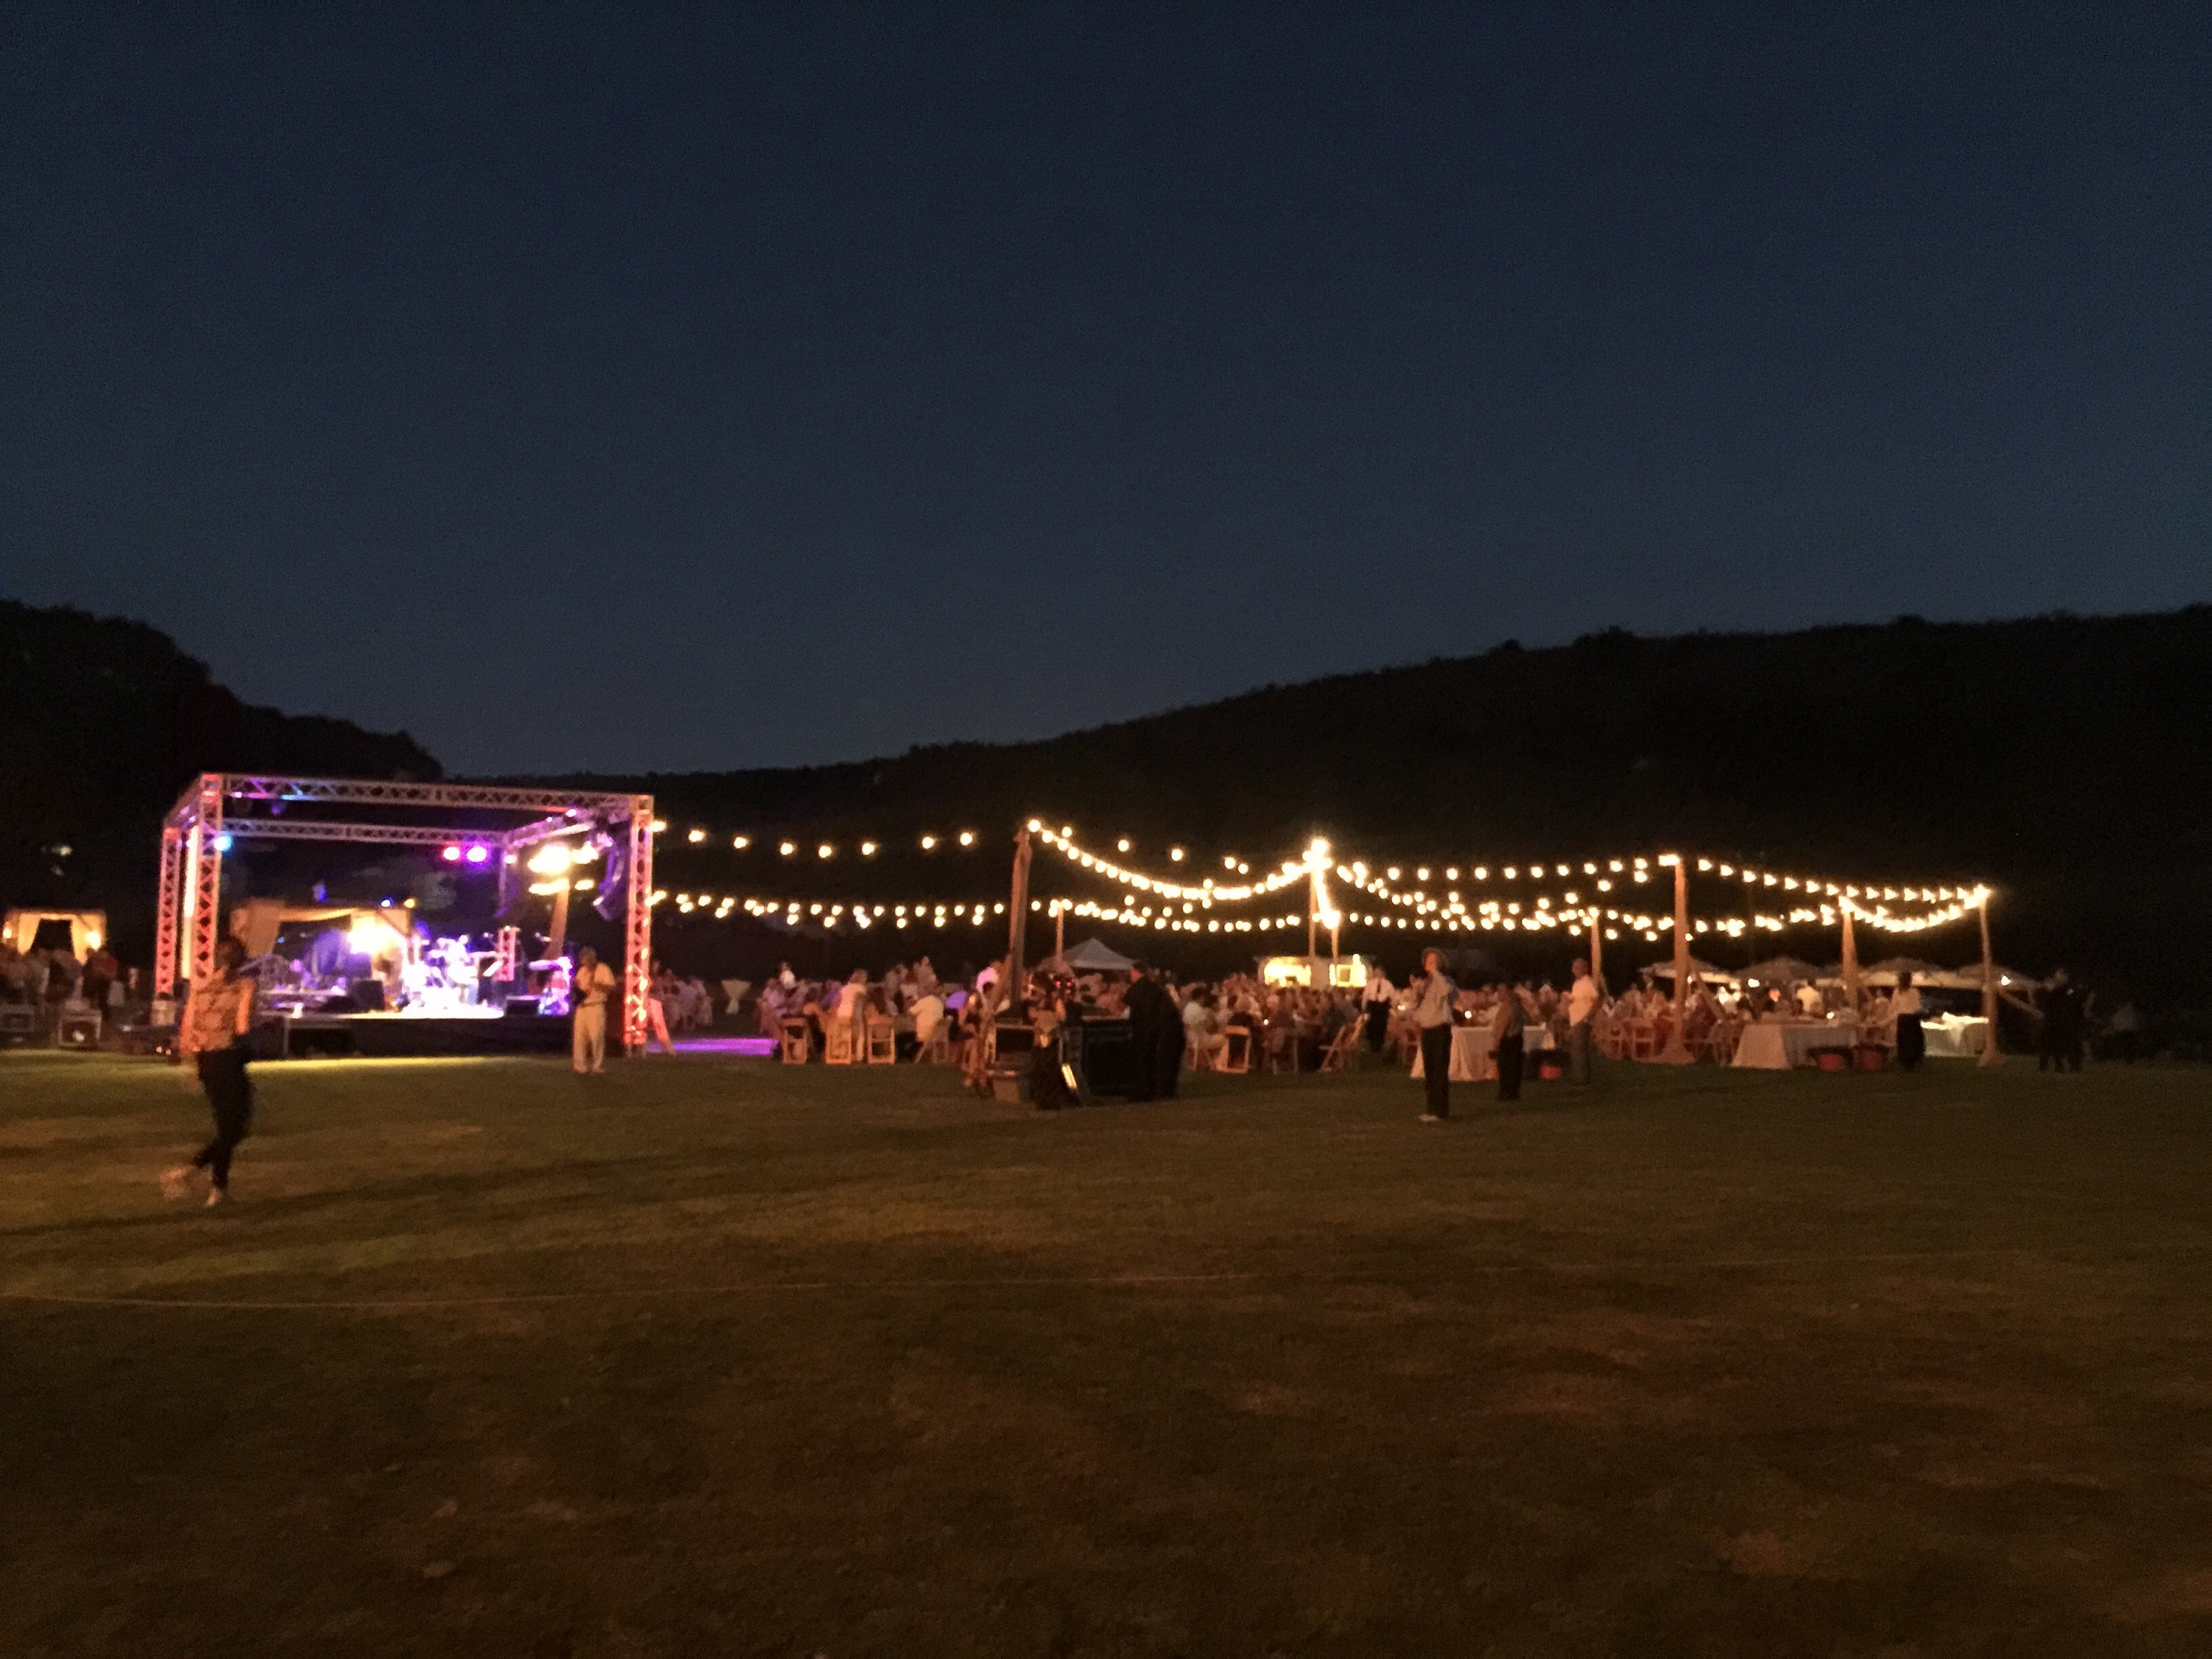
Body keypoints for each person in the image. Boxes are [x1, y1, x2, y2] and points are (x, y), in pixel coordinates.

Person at [162, 936, 258, 1207]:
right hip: (228, 1058)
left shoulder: (200, 987)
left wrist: (191, 1065)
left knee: (228, 1127)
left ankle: (216, 1188)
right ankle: (190, 1175)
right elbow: (242, 1026)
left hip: (207, 1061)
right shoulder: (244, 986)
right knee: (234, 1128)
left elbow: (187, 1029)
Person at [1399, 948, 1456, 1121]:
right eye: (1428, 961)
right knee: (1430, 1071)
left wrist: (1435, 974)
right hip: (1427, 1030)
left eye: (1434, 961)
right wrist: (1415, 987)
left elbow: (1446, 991)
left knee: (1439, 1070)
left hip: (1440, 1029)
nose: (1430, 965)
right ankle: (1431, 1109)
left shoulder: (1443, 980)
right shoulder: (1425, 983)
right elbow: (1415, 1005)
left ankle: (1440, 1111)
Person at [1123, 963, 1173, 1102]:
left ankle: (1140, 1091)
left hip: (1140, 1028)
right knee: (1152, 1059)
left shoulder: (1136, 988)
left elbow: (1127, 1001)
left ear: (1135, 972)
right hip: (1154, 1028)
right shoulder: (1154, 987)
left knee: (1139, 1061)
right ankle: (1153, 1089)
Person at [571, 945, 617, 1074]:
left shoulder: (602, 969)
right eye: (582, 958)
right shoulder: (582, 971)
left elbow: (611, 987)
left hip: (596, 1006)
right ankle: (580, 1066)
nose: (584, 960)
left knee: (596, 1037)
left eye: (586, 957)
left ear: (593, 957)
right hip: (582, 1007)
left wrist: (598, 985)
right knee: (579, 1037)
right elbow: (577, 987)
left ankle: (597, 1066)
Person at [2039, 970, 2084, 1072]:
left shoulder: (2068, 989)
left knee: (2070, 1043)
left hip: (2066, 1020)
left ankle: (2073, 1065)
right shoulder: (2055, 990)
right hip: (2054, 1020)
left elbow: (2075, 1003)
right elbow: (2048, 1003)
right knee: (2052, 1043)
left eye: (2061, 975)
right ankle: (2054, 1064)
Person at [1565, 957, 1600, 1086]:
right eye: (1574, 967)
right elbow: (1577, 1000)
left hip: (1582, 1020)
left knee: (1580, 1050)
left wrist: (1587, 1017)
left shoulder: (1587, 983)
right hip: (1575, 1021)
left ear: (1585, 969)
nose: (1575, 970)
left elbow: (1596, 1001)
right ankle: (1578, 1076)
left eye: (1577, 967)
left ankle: (1582, 1078)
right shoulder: (1577, 984)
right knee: (1576, 1050)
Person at [1492, 984, 1526, 1102]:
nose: (1498, 993)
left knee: (1506, 1067)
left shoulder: (1508, 1006)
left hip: (1508, 1040)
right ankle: (1514, 1092)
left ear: (1507, 992)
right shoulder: (1517, 1005)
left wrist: (1497, 1042)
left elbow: (1504, 1024)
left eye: (1501, 991)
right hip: (1517, 1038)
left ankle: (1506, 1092)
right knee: (1515, 1067)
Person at [1893, 970, 1925, 1071]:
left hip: (1905, 1018)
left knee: (1906, 1041)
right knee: (1912, 1041)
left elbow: (1895, 1007)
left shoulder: (1899, 992)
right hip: (1911, 1018)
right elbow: (1918, 1006)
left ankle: (1907, 1062)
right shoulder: (1913, 992)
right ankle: (1911, 1061)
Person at [1362, 962, 1396, 1053]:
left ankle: (1380, 1044)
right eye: (1376, 972)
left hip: (1382, 1006)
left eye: (1379, 972)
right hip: (1373, 1005)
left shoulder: (1388, 984)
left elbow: (1393, 996)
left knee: (1382, 1025)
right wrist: (1364, 1007)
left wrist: (1392, 1006)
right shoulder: (1370, 983)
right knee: (1372, 1025)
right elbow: (1365, 995)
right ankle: (1372, 1044)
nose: (1377, 974)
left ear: (1383, 973)